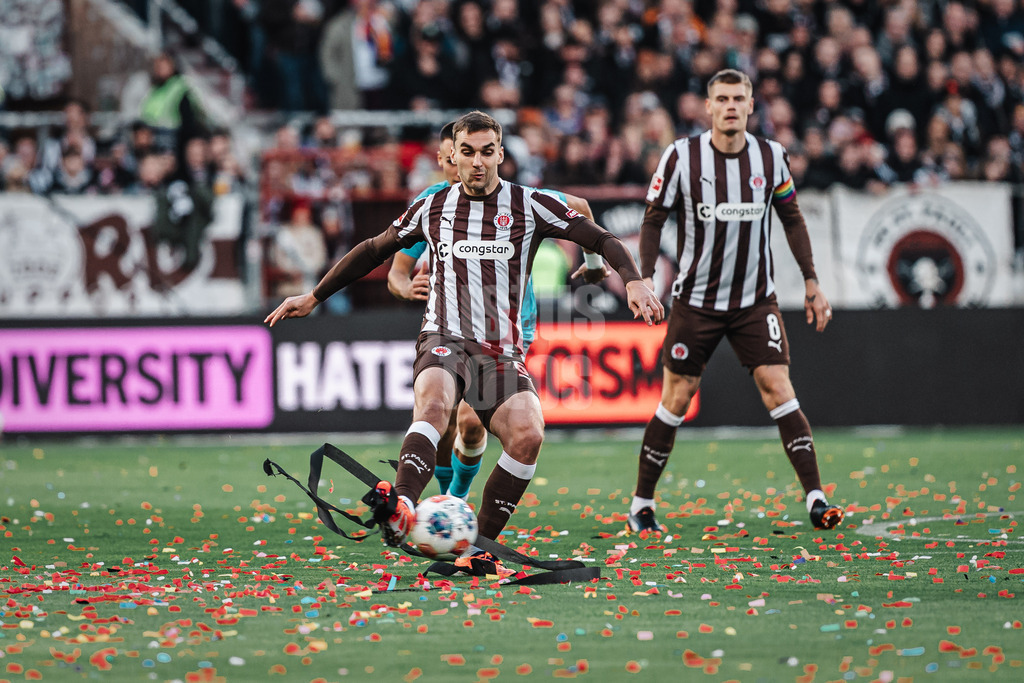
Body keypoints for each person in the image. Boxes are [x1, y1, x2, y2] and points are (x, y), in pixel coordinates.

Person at [266, 111, 663, 572]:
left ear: (501, 154)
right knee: (435, 405)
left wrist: (632, 280)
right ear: (452, 155)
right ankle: (402, 507)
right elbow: (374, 250)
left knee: (528, 434)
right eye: (468, 152)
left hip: (500, 351)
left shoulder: (530, 204)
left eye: (487, 152)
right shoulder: (433, 206)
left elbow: (601, 236)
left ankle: (477, 547)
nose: (477, 162)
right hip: (444, 336)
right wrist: (315, 296)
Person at [627, 69, 844, 534]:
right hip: (696, 302)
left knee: (779, 388)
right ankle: (641, 504)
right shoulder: (681, 156)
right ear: (708, 107)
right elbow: (653, 219)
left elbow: (792, 218)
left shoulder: (771, 156)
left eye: (738, 98)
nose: (730, 106)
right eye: (722, 99)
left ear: (750, 106)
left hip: (754, 301)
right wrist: (644, 279)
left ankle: (816, 498)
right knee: (676, 398)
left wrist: (811, 281)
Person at [387, 122, 611, 500]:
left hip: (507, 329)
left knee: (471, 421)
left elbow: (580, 207)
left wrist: (592, 263)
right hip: (450, 324)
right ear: (445, 158)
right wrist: (405, 287)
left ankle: (456, 499)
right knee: (440, 417)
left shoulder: (516, 199)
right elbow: (396, 271)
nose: (465, 167)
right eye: (455, 159)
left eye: (481, 154)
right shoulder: (432, 204)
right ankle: (444, 500)